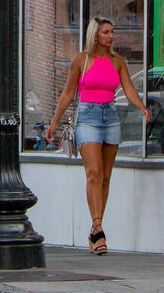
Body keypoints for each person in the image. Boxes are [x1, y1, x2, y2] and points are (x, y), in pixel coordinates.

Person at [44, 16, 151, 254]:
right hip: (88, 117)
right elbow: (68, 93)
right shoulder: (81, 60)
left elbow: (128, 88)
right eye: (106, 32)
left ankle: (95, 231)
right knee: (93, 173)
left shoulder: (118, 61)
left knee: (105, 177)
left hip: (110, 116)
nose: (111, 36)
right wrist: (54, 123)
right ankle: (99, 229)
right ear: (95, 35)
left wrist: (141, 107)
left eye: (112, 32)